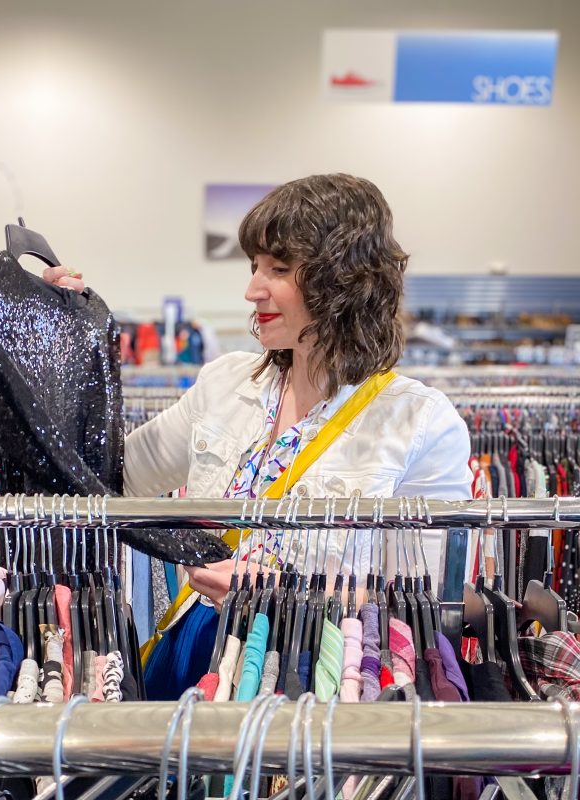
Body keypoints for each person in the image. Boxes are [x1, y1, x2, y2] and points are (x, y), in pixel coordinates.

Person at [43, 173, 472, 697]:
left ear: (344, 280)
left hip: (314, 668)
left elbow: (433, 597)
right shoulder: (226, 383)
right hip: (196, 649)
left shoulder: (419, 421)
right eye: (254, 266)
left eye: (279, 269)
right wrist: (65, 344)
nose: (251, 290)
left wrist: (280, 594)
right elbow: (112, 480)